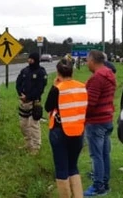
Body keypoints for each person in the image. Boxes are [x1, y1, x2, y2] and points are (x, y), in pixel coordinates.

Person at [45, 58, 87, 197]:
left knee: (61, 168)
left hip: (60, 131)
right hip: (78, 131)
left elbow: (48, 107)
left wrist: (54, 85)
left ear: (58, 72)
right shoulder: (82, 87)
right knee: (73, 167)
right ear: (72, 71)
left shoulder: (58, 89)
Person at [83, 50, 116, 196]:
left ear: (92, 61)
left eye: (87, 60)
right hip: (106, 118)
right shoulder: (109, 75)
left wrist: (83, 117)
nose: (86, 63)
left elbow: (91, 103)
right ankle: (104, 181)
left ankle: (98, 186)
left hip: (96, 121)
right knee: (104, 154)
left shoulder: (97, 78)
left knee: (96, 155)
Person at [16, 52, 47, 155]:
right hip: (23, 101)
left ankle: (35, 146)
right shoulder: (25, 70)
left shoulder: (41, 72)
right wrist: (21, 94)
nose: (29, 60)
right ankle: (28, 143)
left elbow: (40, 89)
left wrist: (28, 97)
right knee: (23, 124)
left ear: (36, 60)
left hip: (34, 102)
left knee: (33, 125)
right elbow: (18, 83)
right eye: (29, 58)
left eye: (32, 59)